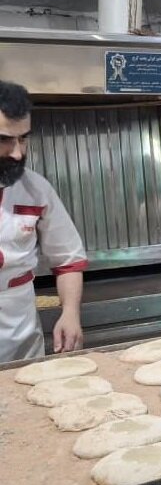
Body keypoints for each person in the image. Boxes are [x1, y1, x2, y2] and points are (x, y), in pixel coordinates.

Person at [0, 80, 88, 363]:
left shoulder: (36, 189)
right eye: (4, 140)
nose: (17, 153)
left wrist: (70, 313)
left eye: (23, 138)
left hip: (19, 327)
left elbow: (68, 259)